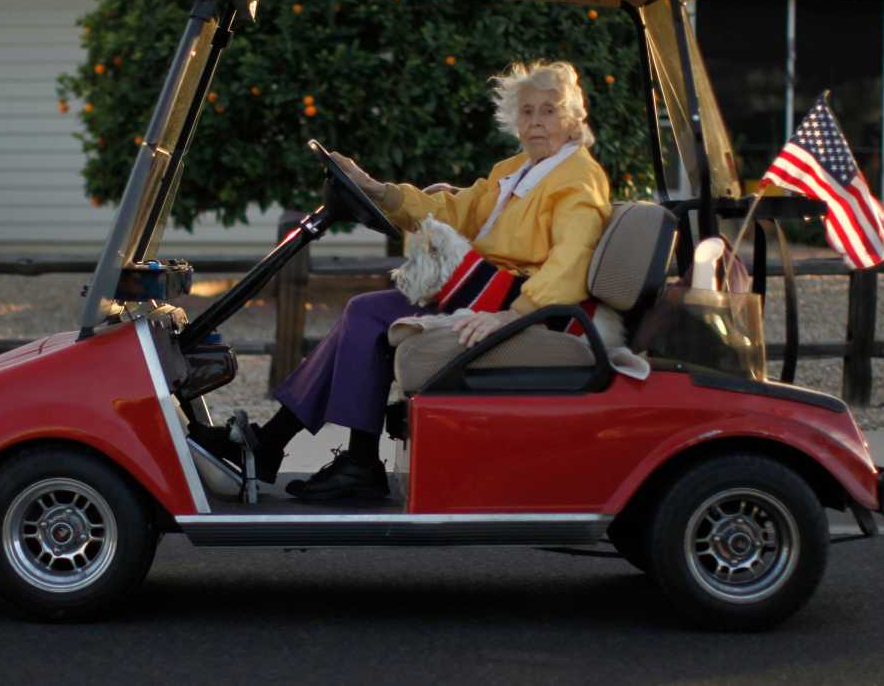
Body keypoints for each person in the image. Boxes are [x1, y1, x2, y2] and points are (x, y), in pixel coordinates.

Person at [191, 60, 612, 501]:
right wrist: (376, 189)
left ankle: (315, 455)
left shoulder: (577, 180)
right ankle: (290, 448)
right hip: (486, 293)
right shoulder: (518, 170)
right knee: (368, 314)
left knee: (367, 312)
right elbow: (453, 210)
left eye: (548, 111)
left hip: (525, 310)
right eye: (526, 111)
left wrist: (511, 316)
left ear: (571, 119)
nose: (536, 122)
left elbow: (571, 263)